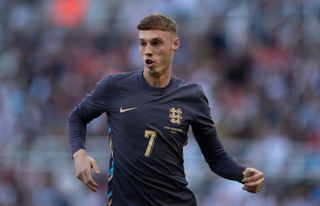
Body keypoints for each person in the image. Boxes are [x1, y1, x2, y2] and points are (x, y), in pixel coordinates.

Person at [68, 13, 264, 206]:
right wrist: (79, 153)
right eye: (143, 43)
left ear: (175, 44)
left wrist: (242, 174)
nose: (147, 51)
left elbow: (216, 158)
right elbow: (77, 117)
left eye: (156, 43)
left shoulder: (191, 96)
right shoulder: (114, 86)